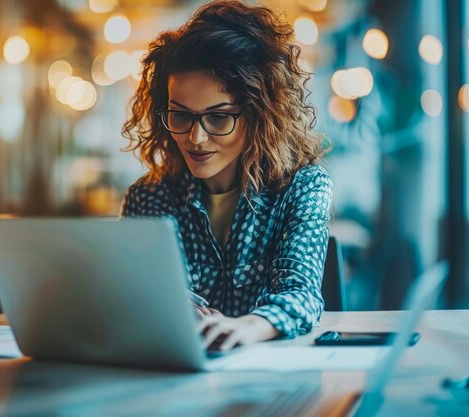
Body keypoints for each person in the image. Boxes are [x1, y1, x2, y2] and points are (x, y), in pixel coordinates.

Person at [120, 0, 332, 352]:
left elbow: (302, 294)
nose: (196, 138)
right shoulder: (148, 197)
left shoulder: (302, 187)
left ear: (260, 116)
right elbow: (136, 297)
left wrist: (250, 326)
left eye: (218, 117)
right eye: (180, 115)